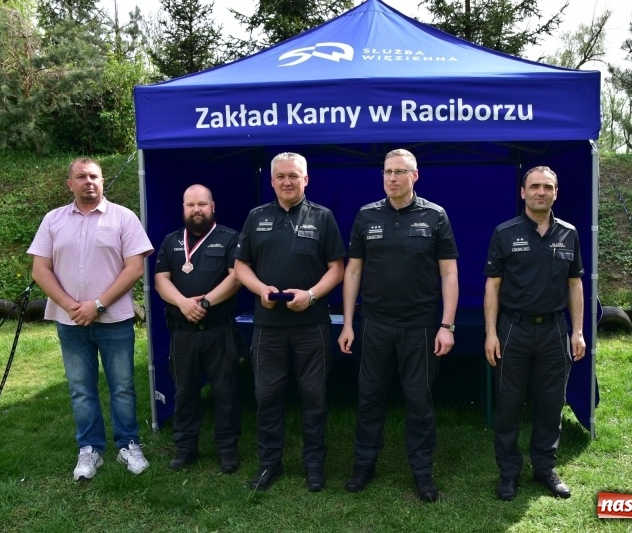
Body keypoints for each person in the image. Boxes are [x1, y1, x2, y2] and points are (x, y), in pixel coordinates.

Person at [338, 148, 459, 503]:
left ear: (414, 176)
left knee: (419, 399)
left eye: (399, 172)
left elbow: (449, 272)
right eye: (387, 172)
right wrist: (348, 322)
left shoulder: (435, 216)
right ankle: (364, 465)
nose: (392, 178)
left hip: (420, 326)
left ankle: (422, 472)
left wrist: (446, 325)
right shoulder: (366, 215)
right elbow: (353, 271)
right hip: (375, 324)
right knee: (369, 397)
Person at [27, 158, 154, 481]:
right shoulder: (53, 220)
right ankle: (90, 450)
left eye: (94, 176)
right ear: (69, 183)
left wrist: (97, 304)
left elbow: (135, 268)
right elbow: (40, 269)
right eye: (81, 177)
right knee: (81, 388)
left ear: (102, 180)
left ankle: (128, 444)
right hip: (70, 321)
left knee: (123, 386)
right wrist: (72, 306)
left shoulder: (123, 218)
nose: (89, 182)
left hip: (114, 319)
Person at [234, 152, 346, 492]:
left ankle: (314, 465)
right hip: (268, 326)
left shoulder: (323, 217)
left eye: (294, 176)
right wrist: (260, 289)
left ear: (306, 179)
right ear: (271, 181)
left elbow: (337, 268)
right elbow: (241, 267)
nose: (287, 181)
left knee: (314, 397)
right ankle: (270, 465)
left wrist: (310, 295)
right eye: (281, 176)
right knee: (267, 396)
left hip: (311, 323)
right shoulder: (256, 217)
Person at [483, 165, 586, 501]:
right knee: (509, 405)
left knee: (551, 403)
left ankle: (544, 469)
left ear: (556, 192)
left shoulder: (569, 233)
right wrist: (490, 333)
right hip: (513, 329)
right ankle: (508, 473)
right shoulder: (504, 233)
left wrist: (578, 331)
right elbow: (493, 286)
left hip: (555, 331)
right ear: (522, 192)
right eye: (535, 186)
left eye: (548, 187)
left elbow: (575, 284)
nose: (541, 192)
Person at [154, 184, 243, 474]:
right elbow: (160, 280)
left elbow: (236, 278)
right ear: (183, 208)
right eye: (191, 205)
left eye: (202, 204)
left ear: (212, 206)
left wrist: (203, 303)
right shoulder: (170, 241)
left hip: (219, 330)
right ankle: (185, 447)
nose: (197, 210)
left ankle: (227, 449)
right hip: (183, 332)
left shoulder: (230, 238)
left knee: (225, 391)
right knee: (185, 392)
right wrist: (183, 303)